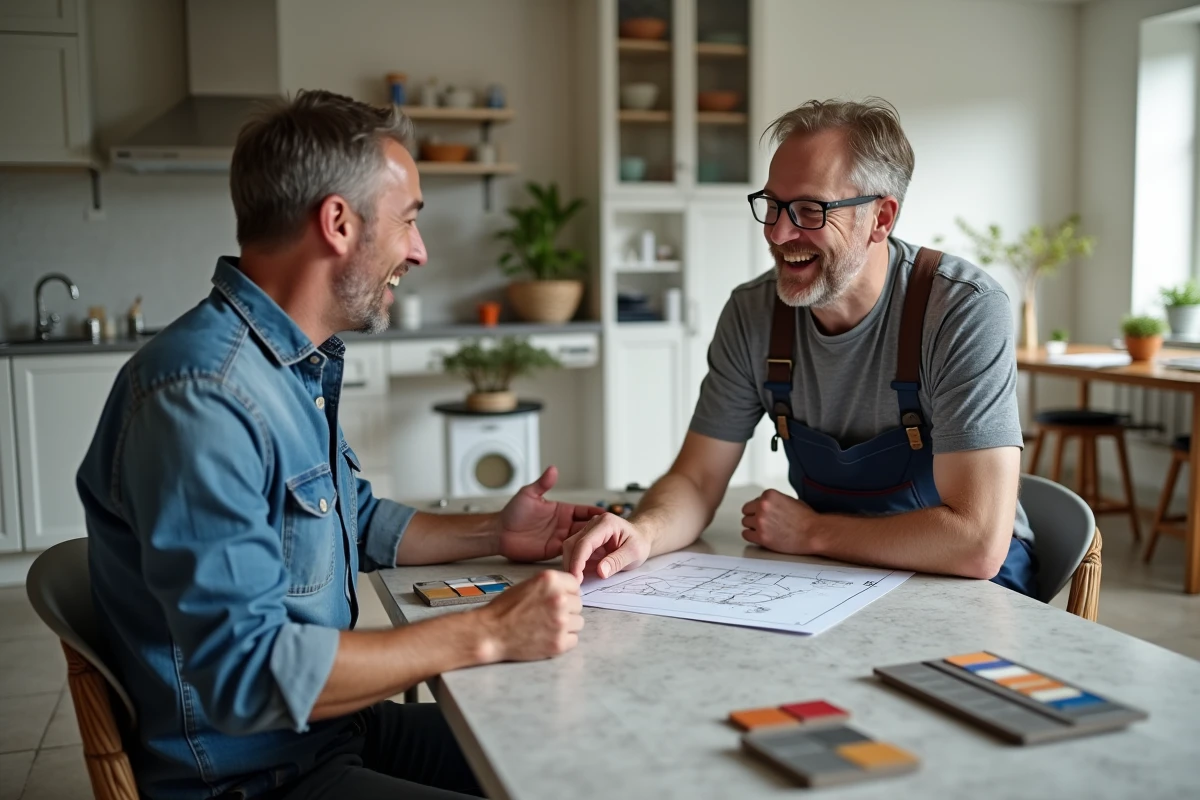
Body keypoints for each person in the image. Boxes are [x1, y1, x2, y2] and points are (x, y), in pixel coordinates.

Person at [77, 90, 601, 800]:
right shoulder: (202, 396)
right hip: (255, 778)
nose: (418, 251)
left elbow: (352, 522)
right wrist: (486, 633)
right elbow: (247, 677)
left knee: (582, 750)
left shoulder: (287, 366)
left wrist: (494, 532)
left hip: (327, 734)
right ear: (338, 223)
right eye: (410, 219)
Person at [563, 98, 1037, 597]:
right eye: (773, 205)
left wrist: (813, 533)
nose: (778, 232)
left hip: (967, 586)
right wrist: (643, 533)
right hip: (834, 575)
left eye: (810, 210)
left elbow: (977, 542)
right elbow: (698, 479)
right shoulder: (754, 314)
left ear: (881, 218)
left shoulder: (960, 310)